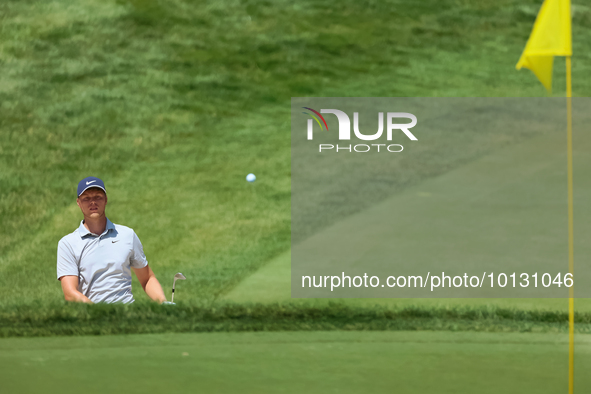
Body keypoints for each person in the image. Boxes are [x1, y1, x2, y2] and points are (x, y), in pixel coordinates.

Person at [57, 176, 168, 304]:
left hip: (127, 315)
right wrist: (103, 314)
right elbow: (70, 294)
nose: (92, 202)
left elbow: (147, 278)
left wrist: (163, 303)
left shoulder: (127, 235)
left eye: (98, 197)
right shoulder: (68, 244)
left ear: (106, 200)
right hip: (93, 318)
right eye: (86, 198)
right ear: (78, 203)